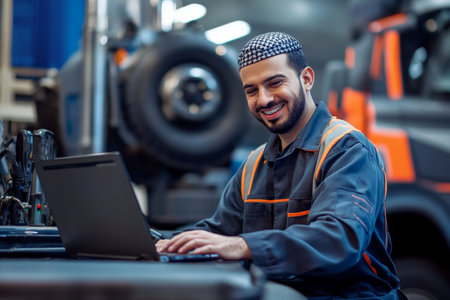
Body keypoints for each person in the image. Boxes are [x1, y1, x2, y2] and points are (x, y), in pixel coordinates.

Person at [156, 32, 402, 299]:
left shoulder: (346, 149)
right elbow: (219, 231)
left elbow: (338, 239)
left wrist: (242, 246)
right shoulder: (255, 163)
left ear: (306, 79)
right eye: (252, 90)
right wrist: (165, 243)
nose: (263, 99)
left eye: (274, 83)